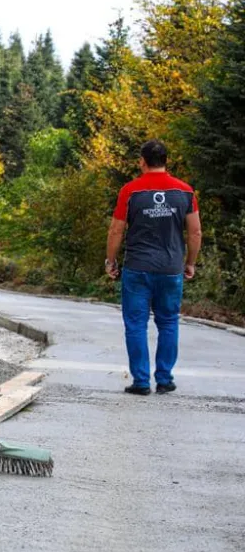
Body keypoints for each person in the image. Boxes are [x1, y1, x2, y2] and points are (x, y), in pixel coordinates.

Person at [106, 140, 202, 395]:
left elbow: (116, 230)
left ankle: (140, 381)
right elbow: (195, 232)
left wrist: (111, 261)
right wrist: (190, 263)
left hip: (137, 267)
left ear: (142, 161)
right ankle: (164, 378)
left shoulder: (130, 191)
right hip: (171, 269)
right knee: (169, 322)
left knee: (136, 324)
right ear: (166, 160)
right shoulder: (185, 192)